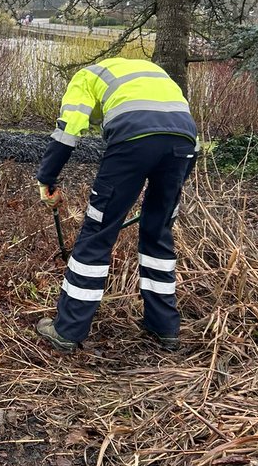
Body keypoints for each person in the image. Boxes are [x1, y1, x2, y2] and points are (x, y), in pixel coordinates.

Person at [35, 57, 198, 354]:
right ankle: (165, 327)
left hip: (134, 140)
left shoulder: (84, 78)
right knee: (158, 232)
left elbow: (67, 131)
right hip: (185, 143)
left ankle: (67, 330)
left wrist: (47, 177)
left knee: (97, 233)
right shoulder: (148, 71)